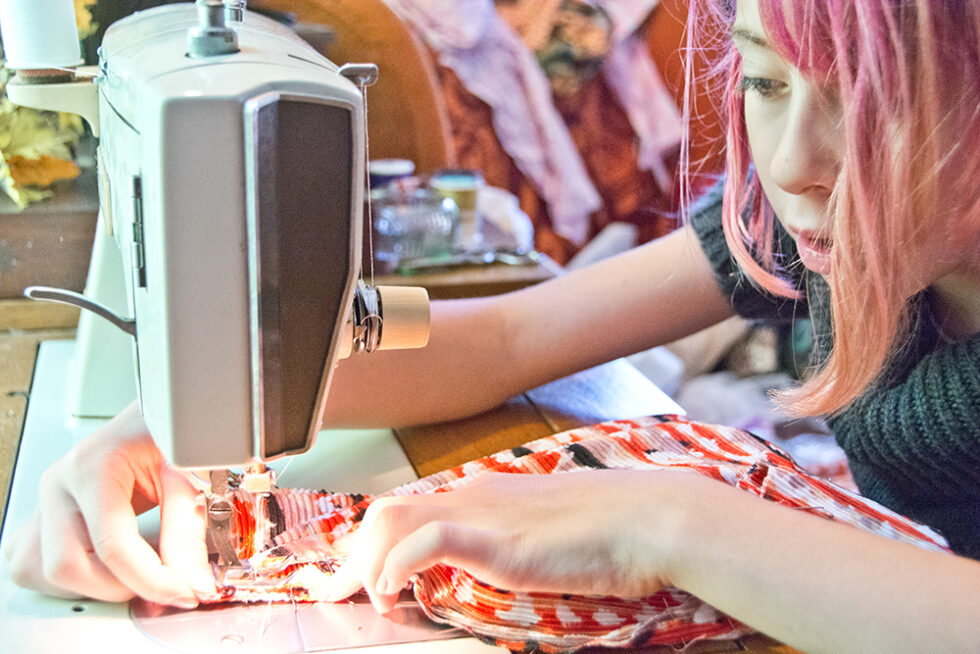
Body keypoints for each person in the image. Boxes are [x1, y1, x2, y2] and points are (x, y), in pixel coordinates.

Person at [6, 0, 980, 650]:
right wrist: (186, 405)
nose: (794, 161)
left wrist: (669, 522)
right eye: (767, 84)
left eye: (882, 105)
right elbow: (511, 339)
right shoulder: (796, 227)